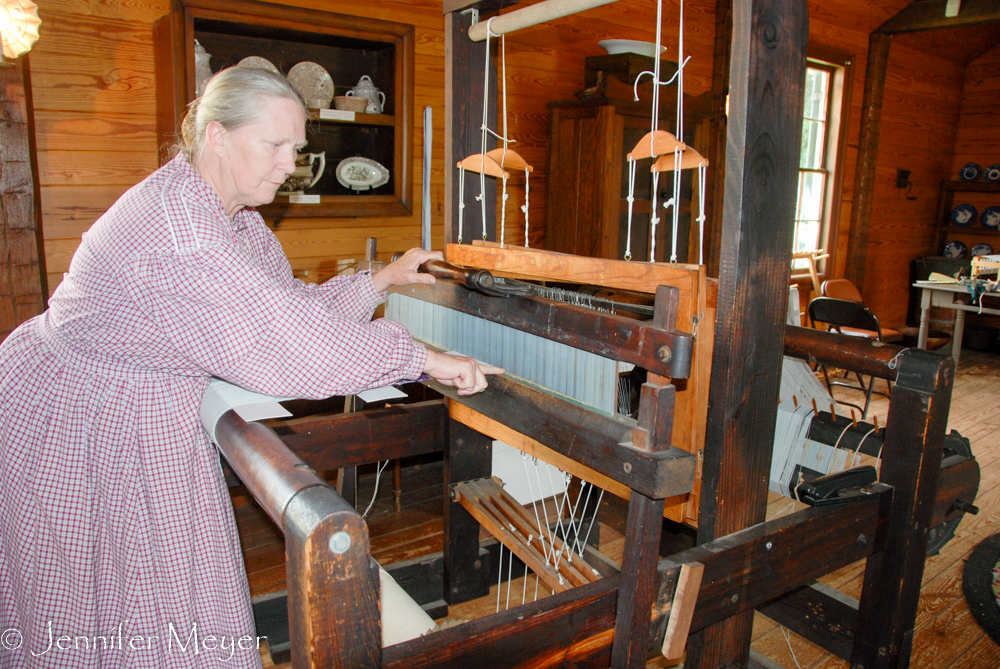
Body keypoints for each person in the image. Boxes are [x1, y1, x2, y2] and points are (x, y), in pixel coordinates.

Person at [0, 67, 501, 668]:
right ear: (215, 136)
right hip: (79, 413)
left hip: (130, 403)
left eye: (297, 147)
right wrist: (422, 359)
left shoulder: (231, 217)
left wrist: (381, 278)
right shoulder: (181, 233)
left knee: (161, 587)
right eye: (275, 145)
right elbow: (283, 349)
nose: (291, 163)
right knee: (109, 590)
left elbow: (282, 307)